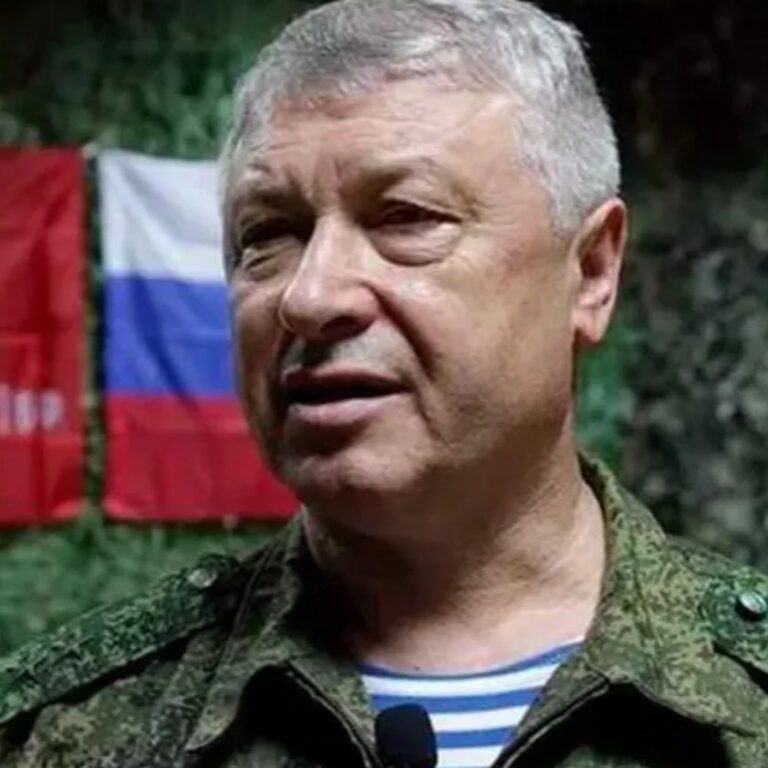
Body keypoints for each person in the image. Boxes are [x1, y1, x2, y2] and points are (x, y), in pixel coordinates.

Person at [3, 1, 768, 766]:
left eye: (406, 217)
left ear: (591, 272)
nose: (310, 297)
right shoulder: (62, 736)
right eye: (268, 233)